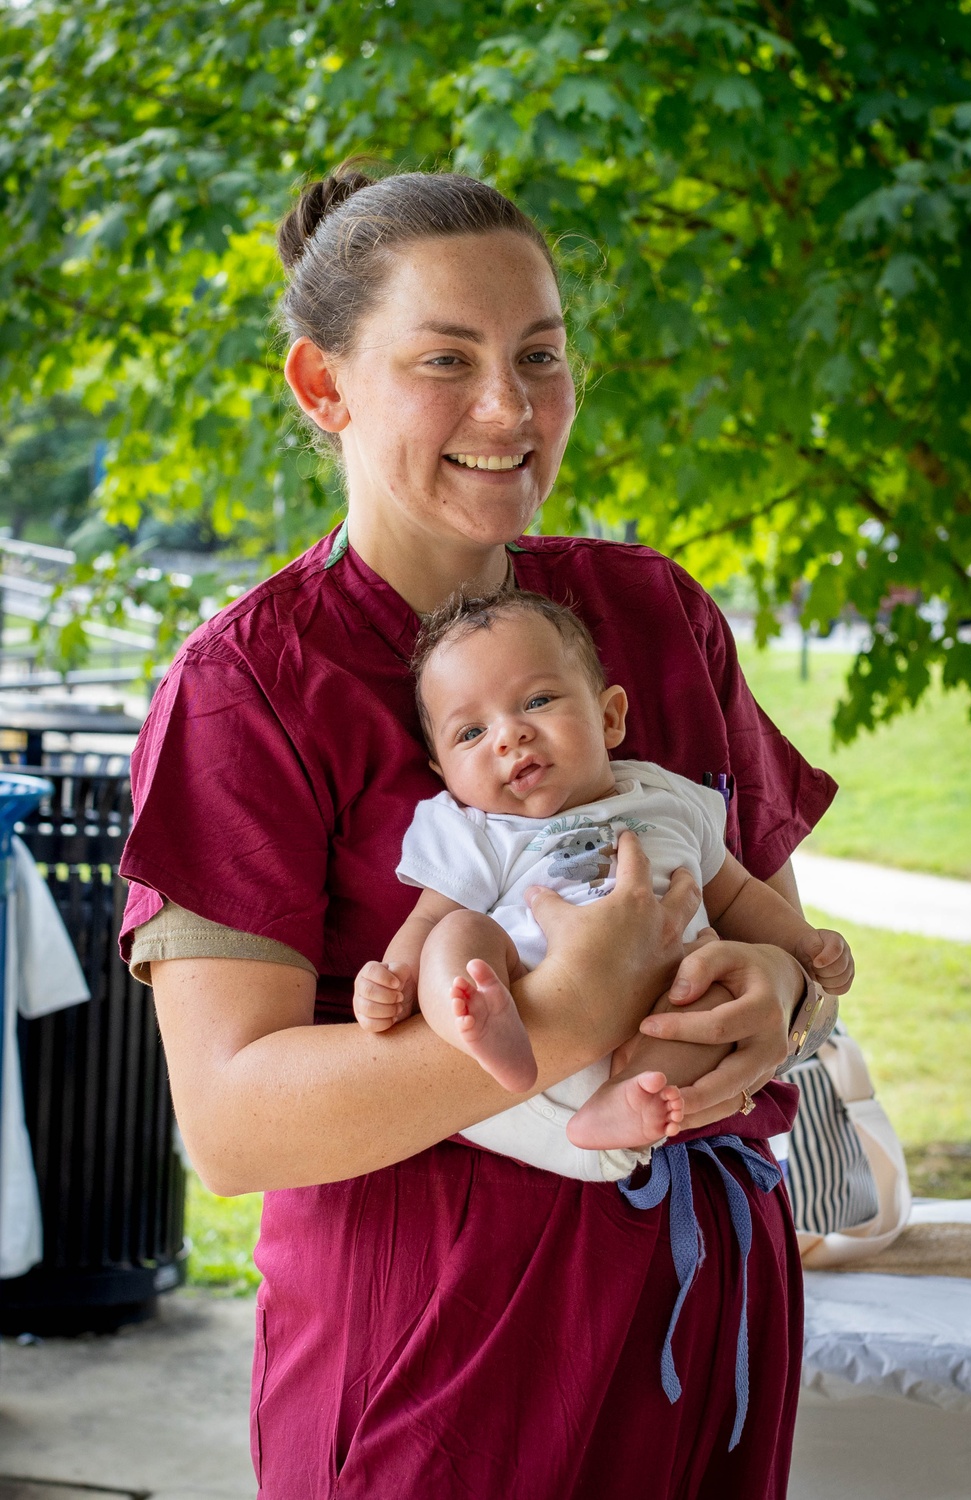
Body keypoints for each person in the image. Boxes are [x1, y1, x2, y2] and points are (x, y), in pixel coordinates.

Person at [120, 163, 840, 1499]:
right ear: (323, 387)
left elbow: (778, 933)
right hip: (441, 1363)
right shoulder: (249, 688)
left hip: (701, 1322)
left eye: (541, 357)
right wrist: (567, 1013)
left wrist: (781, 1000)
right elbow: (230, 1123)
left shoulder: (658, 619)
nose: (509, 408)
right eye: (446, 360)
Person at [353, 587, 852, 1177]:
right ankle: (480, 1024)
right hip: (524, 1007)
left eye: (537, 700)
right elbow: (428, 921)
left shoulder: (668, 799)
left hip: (666, 1003)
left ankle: (627, 1099)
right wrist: (395, 979)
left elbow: (738, 893)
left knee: (716, 994)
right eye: (470, 734)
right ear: (443, 770)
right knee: (459, 935)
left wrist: (801, 947)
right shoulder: (478, 831)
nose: (508, 736)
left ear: (610, 716)